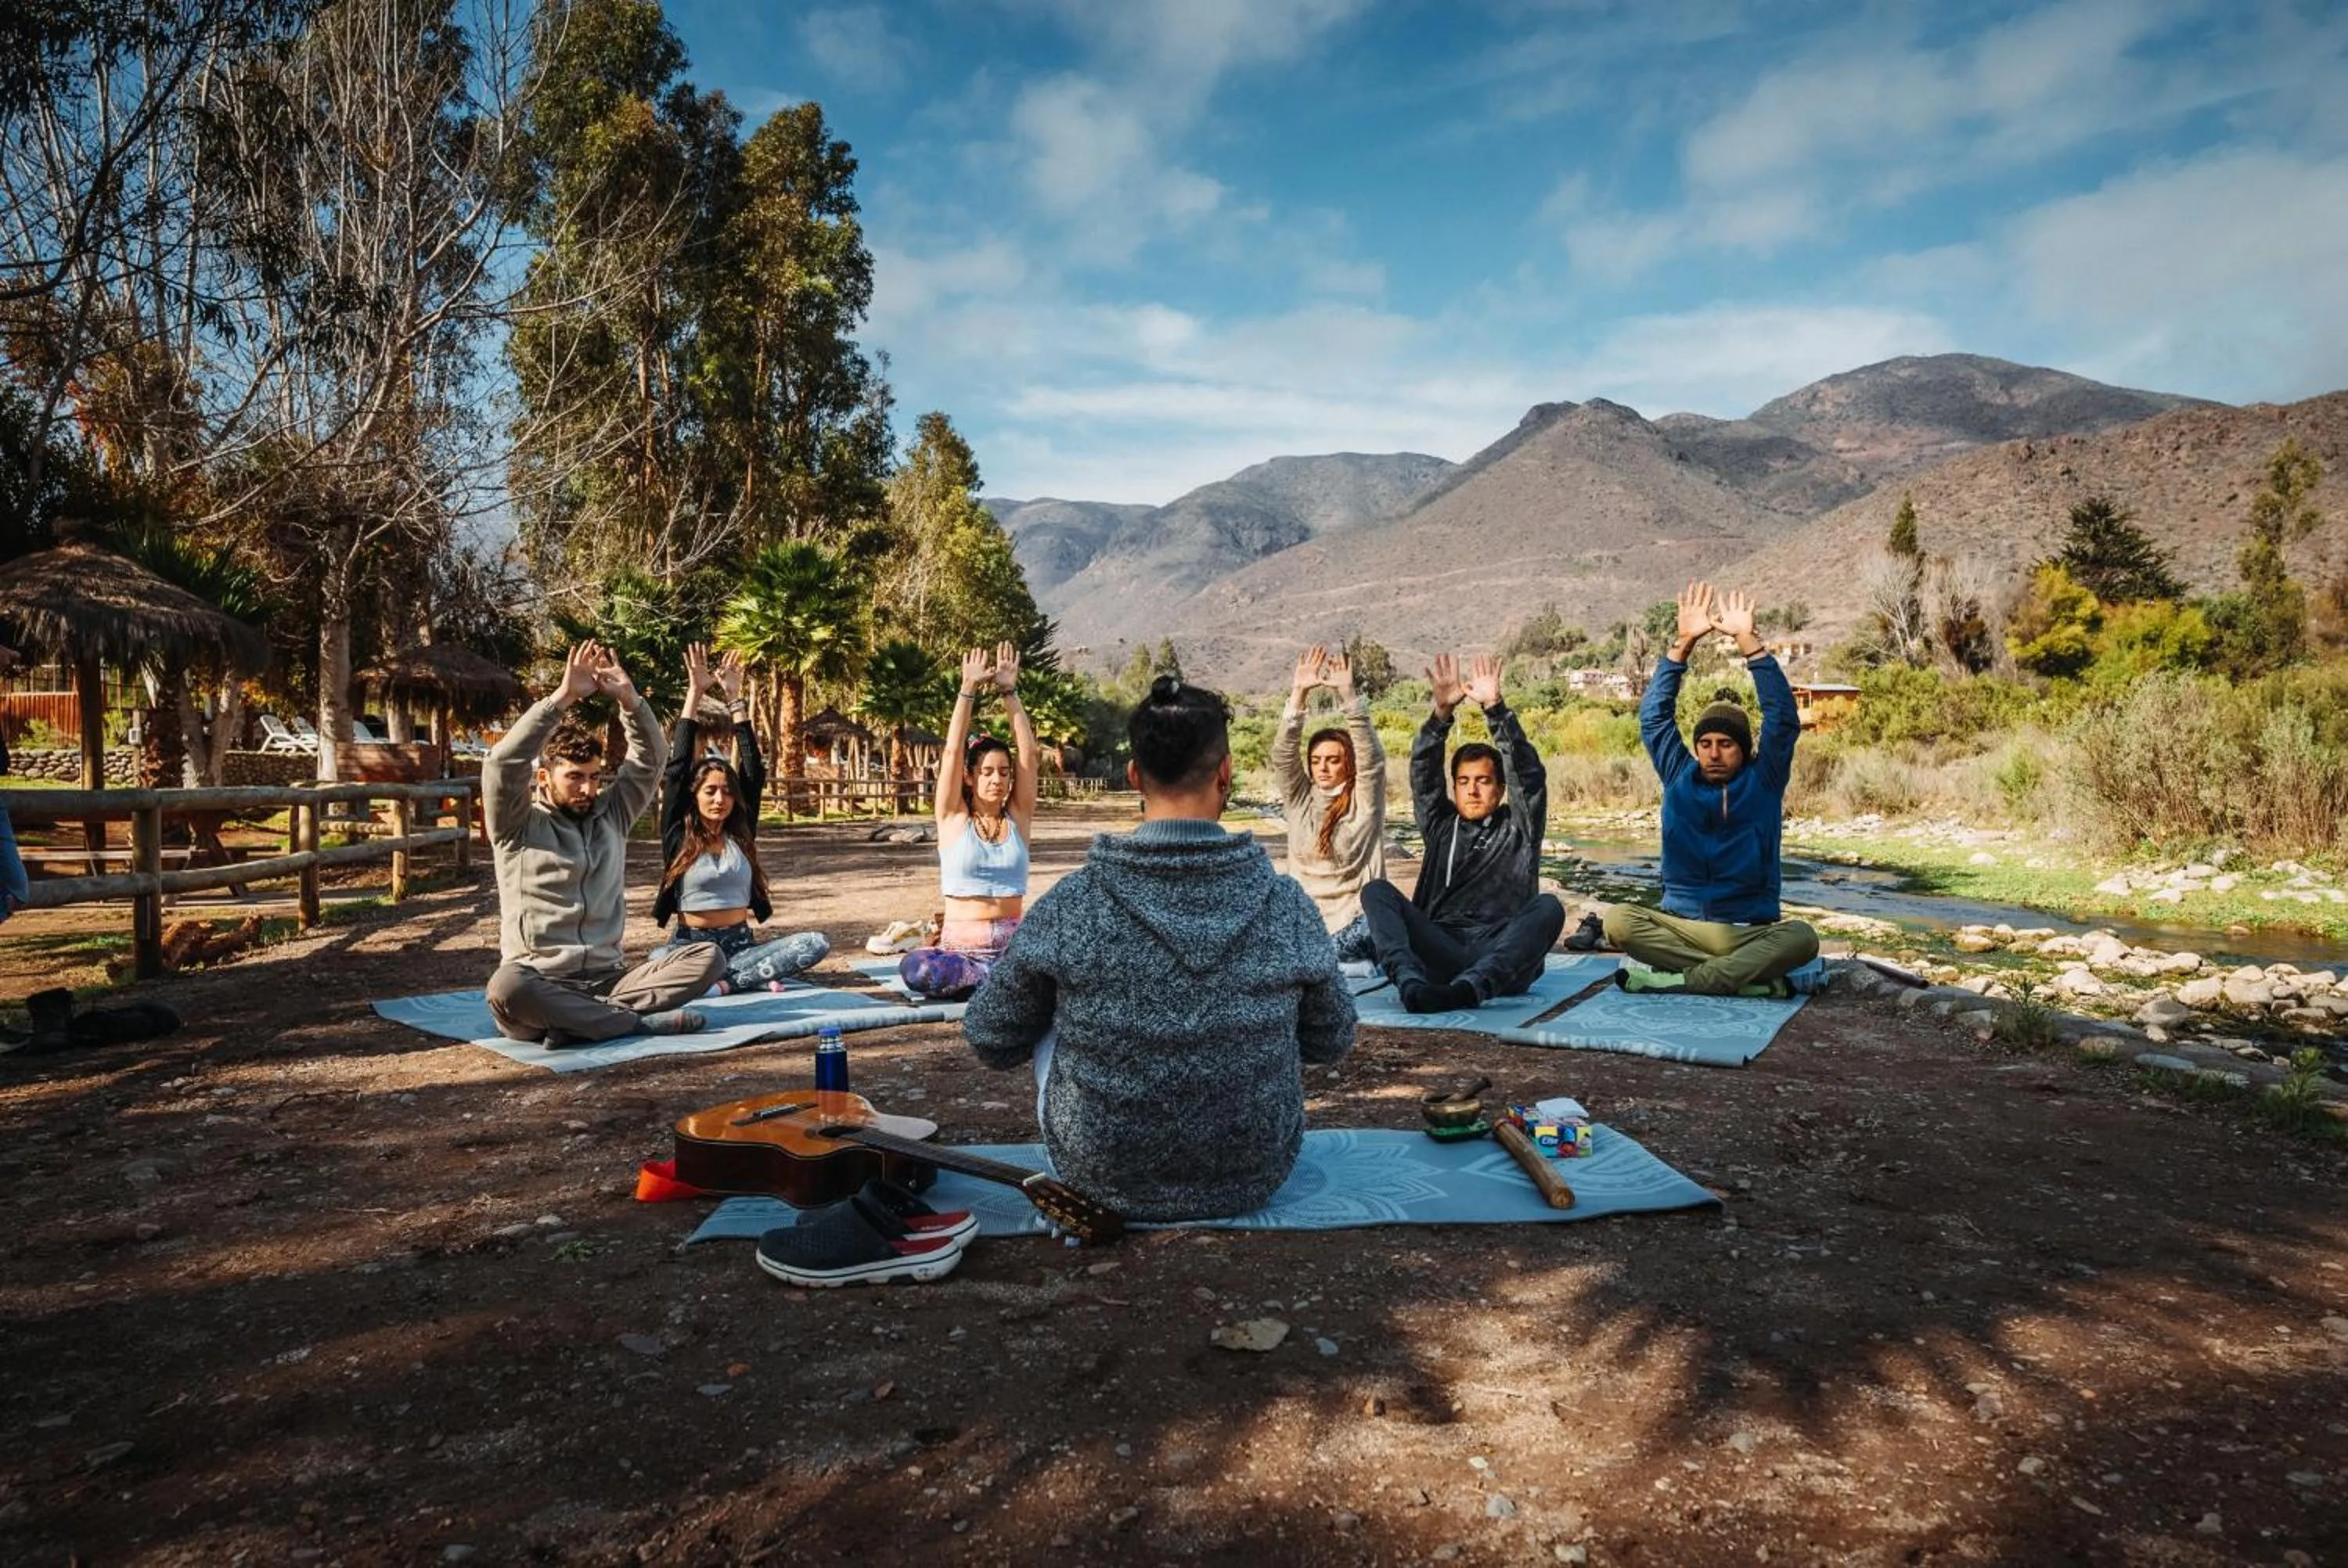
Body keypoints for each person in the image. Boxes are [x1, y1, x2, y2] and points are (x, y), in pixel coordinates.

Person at [962, 675, 1356, 1221]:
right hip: (1252, 1170)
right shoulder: (1286, 905)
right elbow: (1331, 1039)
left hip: (1099, 1171)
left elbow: (990, 1036)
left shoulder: (1072, 904)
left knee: (1050, 997)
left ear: (1133, 777)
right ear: (1225, 773)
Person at [483, 641, 723, 1046]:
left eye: (594, 777)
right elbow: (501, 764)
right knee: (507, 989)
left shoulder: (613, 814)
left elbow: (651, 760)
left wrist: (631, 703)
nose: (588, 787)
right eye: (575, 777)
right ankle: (631, 1023)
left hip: (611, 981)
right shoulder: (515, 825)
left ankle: (583, 1023)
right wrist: (560, 700)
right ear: (544, 780)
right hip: (541, 983)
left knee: (708, 958)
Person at [1604, 582, 1821, 996]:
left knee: (1803, 939)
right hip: (1681, 926)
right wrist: (1683, 644)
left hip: (1747, 929)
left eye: (1726, 744)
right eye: (1706, 744)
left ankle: (1685, 981)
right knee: (1618, 922)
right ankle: (1743, 978)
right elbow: (1654, 719)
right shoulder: (1678, 773)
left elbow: (1783, 721)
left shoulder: (1764, 781)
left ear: (1744, 749)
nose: (1714, 753)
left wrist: (1748, 643)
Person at [1358, 653, 1566, 1012]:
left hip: (1501, 957)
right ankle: (1410, 983)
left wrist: (1496, 710)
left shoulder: (1520, 828)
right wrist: (1440, 716)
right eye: (1464, 782)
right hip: (1442, 950)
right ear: (1454, 788)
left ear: (1500, 789)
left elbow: (1528, 776)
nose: (1472, 791)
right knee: (1376, 891)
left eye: (1483, 782)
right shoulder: (1441, 825)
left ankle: (1468, 991)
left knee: (1549, 908)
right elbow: (1423, 775)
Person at [651, 642, 829, 992]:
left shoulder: (741, 832)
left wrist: (736, 701)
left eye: (727, 792)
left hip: (741, 946)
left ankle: (723, 984)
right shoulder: (678, 833)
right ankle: (743, 981)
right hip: (691, 947)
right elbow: (676, 769)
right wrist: (695, 692)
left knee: (815, 943)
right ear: (695, 796)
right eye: (711, 791)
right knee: (656, 960)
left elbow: (753, 771)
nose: (721, 799)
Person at [899, 642, 1038, 1000]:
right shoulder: (953, 818)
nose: (997, 780)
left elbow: (1030, 753)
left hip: (1014, 952)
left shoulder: (1018, 818)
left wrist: (1009, 692)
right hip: (963, 956)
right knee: (918, 970)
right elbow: (951, 751)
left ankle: (1005, 982)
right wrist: (968, 689)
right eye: (988, 772)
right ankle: (998, 985)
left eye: (1005, 773)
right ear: (969, 777)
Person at [1273, 644, 1385, 963]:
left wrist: (1349, 698)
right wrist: (1298, 694)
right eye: (1316, 760)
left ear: (1348, 764)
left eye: (1333, 760)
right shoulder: (1300, 800)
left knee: (1377, 923)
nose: (1323, 767)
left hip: (1356, 925)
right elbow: (1283, 757)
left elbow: (1371, 759)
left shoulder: (1365, 802)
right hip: (1303, 925)